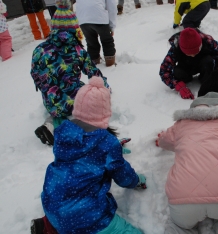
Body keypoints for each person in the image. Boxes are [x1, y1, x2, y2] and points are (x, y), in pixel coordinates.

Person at [30, 76, 146, 234]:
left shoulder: (63, 132)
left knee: (64, 215)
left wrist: (114, 147)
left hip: (51, 204)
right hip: (86, 218)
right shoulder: (106, 143)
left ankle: (48, 226)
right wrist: (137, 181)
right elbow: (123, 175)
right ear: (105, 113)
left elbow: (86, 148)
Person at [156, 71, 218, 234]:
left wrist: (160, 140)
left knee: (178, 226)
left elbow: (167, 141)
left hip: (183, 200)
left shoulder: (183, 123)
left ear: (200, 97)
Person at [30, 0, 109, 146]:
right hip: (74, 100)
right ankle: (81, 127)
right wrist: (105, 87)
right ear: (74, 28)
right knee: (81, 96)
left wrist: (47, 89)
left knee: (57, 109)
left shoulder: (39, 49)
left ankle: (49, 125)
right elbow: (93, 73)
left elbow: (35, 75)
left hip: (50, 100)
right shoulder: (76, 49)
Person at [159, 28, 218, 99]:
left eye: (196, 52)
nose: (193, 55)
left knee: (208, 61)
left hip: (203, 65)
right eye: (189, 54)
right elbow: (164, 71)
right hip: (185, 67)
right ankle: (187, 78)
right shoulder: (175, 48)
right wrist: (177, 85)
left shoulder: (209, 42)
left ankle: (206, 79)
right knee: (177, 72)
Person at [76, 0, 117, 66]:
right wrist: (112, 26)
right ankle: (110, 63)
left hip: (83, 18)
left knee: (91, 43)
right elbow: (112, 6)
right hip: (99, 16)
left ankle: (94, 63)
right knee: (107, 41)